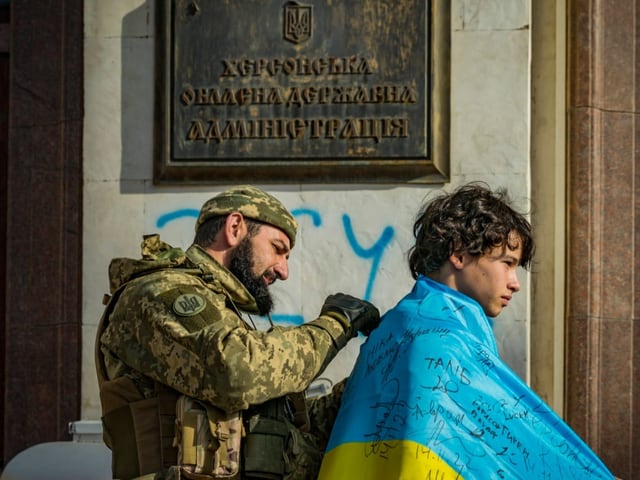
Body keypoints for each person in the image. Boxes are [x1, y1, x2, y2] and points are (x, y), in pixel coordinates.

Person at [318, 183, 617, 480]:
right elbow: (516, 440)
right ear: (459, 255)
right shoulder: (447, 345)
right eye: (507, 264)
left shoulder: (392, 329)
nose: (515, 283)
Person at [95, 185, 380, 480]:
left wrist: (365, 384)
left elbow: (283, 427)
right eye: (278, 249)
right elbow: (237, 371)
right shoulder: (155, 293)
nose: (283, 271)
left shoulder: (220, 315)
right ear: (234, 227)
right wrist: (336, 324)